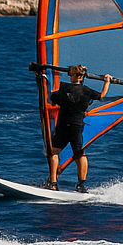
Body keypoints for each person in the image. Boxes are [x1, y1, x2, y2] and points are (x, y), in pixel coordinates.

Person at [45, 65, 112, 193]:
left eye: (70, 74)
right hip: (77, 127)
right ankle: (81, 185)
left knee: (54, 152)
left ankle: (53, 183)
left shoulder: (64, 89)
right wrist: (107, 81)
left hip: (63, 126)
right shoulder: (86, 91)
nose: (69, 76)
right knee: (80, 154)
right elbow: (102, 95)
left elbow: (52, 100)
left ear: (74, 76)